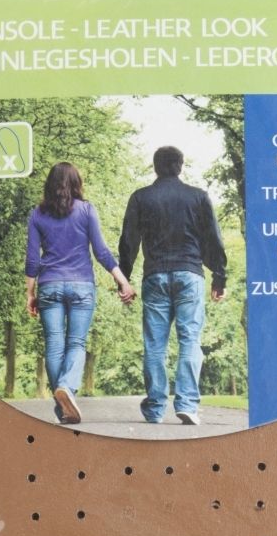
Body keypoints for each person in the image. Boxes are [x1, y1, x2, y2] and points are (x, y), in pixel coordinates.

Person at [118, 145, 228, 425]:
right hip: (190, 274)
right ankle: (187, 404)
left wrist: (124, 279)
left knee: (155, 345)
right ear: (180, 166)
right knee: (190, 339)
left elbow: (129, 241)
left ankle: (155, 408)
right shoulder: (198, 197)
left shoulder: (141, 197)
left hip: (155, 276)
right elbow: (212, 239)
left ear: (156, 167)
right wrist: (219, 276)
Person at [25, 162, 135, 424]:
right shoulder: (86, 210)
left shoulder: (37, 214)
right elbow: (102, 252)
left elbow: (32, 259)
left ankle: (63, 404)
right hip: (82, 286)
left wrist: (30, 293)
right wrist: (123, 282)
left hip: (49, 285)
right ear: (76, 183)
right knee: (76, 343)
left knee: (54, 344)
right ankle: (67, 389)